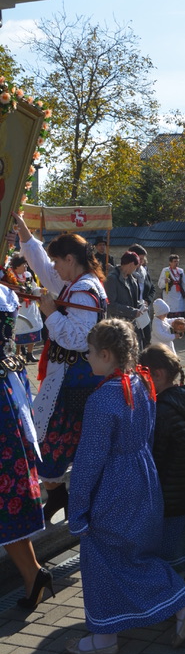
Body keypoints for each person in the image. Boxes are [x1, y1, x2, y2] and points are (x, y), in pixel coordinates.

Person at [65, 319, 185, 654]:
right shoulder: (141, 383)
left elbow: (89, 461)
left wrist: (77, 509)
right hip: (144, 478)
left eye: (90, 352)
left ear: (106, 354)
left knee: (102, 555)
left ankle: (108, 636)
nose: (87, 357)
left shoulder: (102, 400)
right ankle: (114, 630)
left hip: (114, 487)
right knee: (132, 552)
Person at [13, 213, 108, 522]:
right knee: (55, 440)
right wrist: (25, 235)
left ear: (70, 259)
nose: (53, 267)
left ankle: (71, 501)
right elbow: (43, 268)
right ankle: (61, 498)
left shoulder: (83, 290)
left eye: (58, 261)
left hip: (74, 381)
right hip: (69, 378)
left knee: (54, 442)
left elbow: (79, 339)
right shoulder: (75, 282)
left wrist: (51, 313)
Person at [0, 283, 53, 610]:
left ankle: (33, 573)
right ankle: (33, 573)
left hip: (5, 399)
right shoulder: (5, 293)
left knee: (6, 493)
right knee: (7, 493)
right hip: (9, 387)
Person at [140, 343, 185, 580]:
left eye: (142, 376)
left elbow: (156, 457)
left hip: (170, 494)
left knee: (172, 554)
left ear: (157, 374)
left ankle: (179, 591)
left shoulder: (162, 410)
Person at [8, 254, 43, 362]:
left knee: (32, 328)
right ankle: (17, 354)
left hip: (30, 308)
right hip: (19, 308)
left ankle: (29, 353)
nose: (26, 266)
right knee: (18, 331)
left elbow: (34, 288)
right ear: (17, 266)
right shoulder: (10, 276)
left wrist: (40, 290)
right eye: (24, 264)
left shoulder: (28, 275)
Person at [104, 252, 144, 341]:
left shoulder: (132, 280)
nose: (135, 270)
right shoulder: (112, 279)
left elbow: (132, 300)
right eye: (135, 267)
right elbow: (110, 305)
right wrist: (132, 312)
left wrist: (141, 306)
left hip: (131, 325)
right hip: (117, 327)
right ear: (131, 264)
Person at [129, 243, 153, 346]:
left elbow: (152, 288)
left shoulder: (144, 272)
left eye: (143, 259)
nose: (142, 262)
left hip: (144, 309)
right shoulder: (127, 273)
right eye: (140, 259)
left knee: (147, 337)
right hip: (132, 310)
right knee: (135, 338)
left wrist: (147, 300)